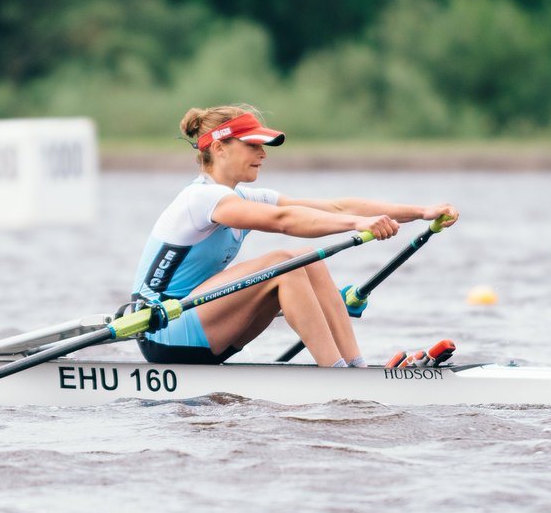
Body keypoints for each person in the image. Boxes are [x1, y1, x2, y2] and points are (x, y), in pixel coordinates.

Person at [129, 104, 458, 367]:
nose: (263, 154)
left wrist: (421, 212)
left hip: (203, 328)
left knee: (307, 263)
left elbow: (337, 207)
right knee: (283, 263)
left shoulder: (241, 196)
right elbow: (284, 220)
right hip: (163, 332)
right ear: (219, 148)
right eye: (253, 145)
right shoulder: (201, 198)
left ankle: (354, 368)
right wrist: (358, 225)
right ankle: (337, 374)